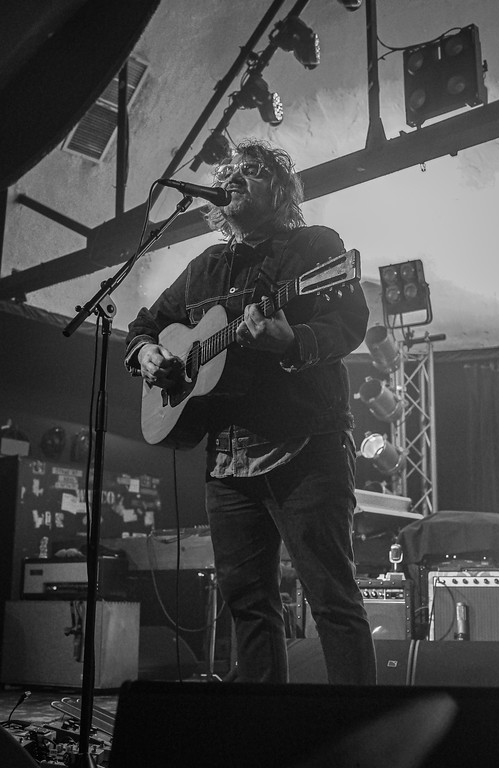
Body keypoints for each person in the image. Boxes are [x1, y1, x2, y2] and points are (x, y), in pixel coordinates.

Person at [124, 139, 376, 685]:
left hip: (304, 447)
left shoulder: (315, 247)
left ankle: (358, 727)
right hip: (226, 460)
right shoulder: (204, 267)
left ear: (280, 192)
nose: (234, 177)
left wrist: (292, 340)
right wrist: (147, 354)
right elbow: (145, 325)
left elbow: (348, 323)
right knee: (248, 606)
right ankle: (262, 725)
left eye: (252, 170)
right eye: (228, 172)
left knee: (331, 598)